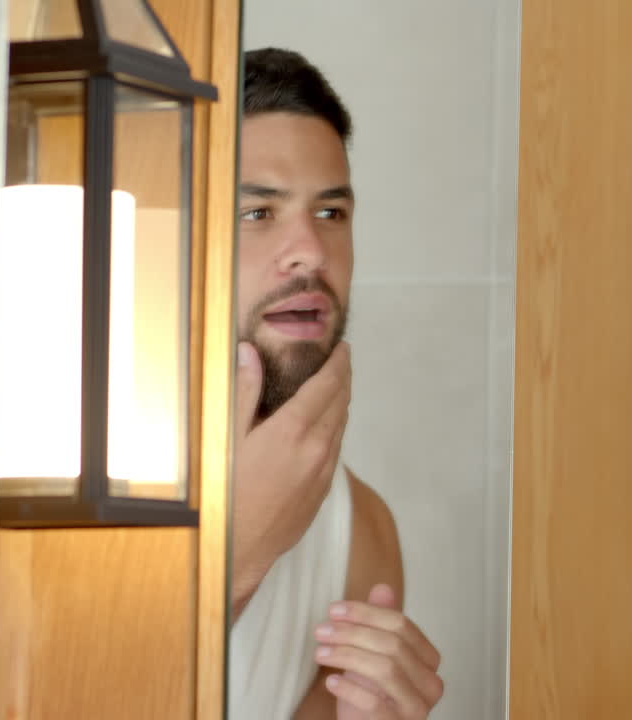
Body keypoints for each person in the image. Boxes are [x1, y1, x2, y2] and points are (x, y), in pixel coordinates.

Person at [229, 48, 443, 720]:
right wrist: (234, 558)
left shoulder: (360, 534)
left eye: (330, 214)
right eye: (257, 213)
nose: (312, 253)